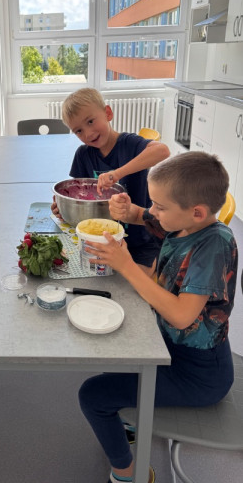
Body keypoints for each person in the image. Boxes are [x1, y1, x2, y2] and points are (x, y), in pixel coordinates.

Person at [78, 152, 237, 483]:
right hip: (166, 346)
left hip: (198, 374)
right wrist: (128, 210)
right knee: (112, 356)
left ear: (197, 212)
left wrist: (126, 266)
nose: (153, 211)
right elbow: (144, 217)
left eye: (160, 206)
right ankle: (132, 422)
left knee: (93, 395)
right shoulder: (184, 224)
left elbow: (180, 316)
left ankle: (128, 474)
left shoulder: (214, 245)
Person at [54, 88, 170, 273]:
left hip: (141, 241)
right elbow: (79, 199)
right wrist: (64, 208)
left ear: (108, 113)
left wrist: (116, 174)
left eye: (90, 121)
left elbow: (162, 151)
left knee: (131, 286)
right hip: (102, 241)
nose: (88, 133)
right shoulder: (83, 155)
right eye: (79, 131)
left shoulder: (129, 144)